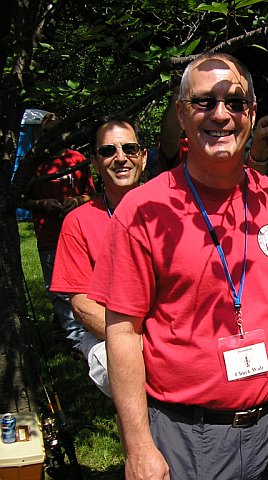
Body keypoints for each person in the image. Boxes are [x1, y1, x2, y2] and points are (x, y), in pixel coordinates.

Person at [88, 52, 268, 480]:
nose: (220, 115)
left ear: (252, 113)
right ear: (181, 113)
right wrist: (138, 447)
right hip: (186, 435)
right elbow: (122, 332)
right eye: (204, 102)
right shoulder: (143, 211)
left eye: (235, 103)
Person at [50, 115, 147, 397]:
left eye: (129, 149)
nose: (121, 158)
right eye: (108, 151)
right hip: (112, 335)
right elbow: (82, 306)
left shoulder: (172, 210)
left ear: (142, 156)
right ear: (94, 161)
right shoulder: (77, 222)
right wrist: (141, 341)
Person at [19, 112, 96, 353]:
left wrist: (77, 200)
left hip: (77, 235)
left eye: (58, 130)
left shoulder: (77, 159)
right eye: (47, 131)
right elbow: (20, 199)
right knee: (57, 291)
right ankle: (76, 342)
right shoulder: (34, 163)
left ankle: (71, 335)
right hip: (48, 236)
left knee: (83, 287)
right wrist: (43, 204)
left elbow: (92, 194)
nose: (53, 136)